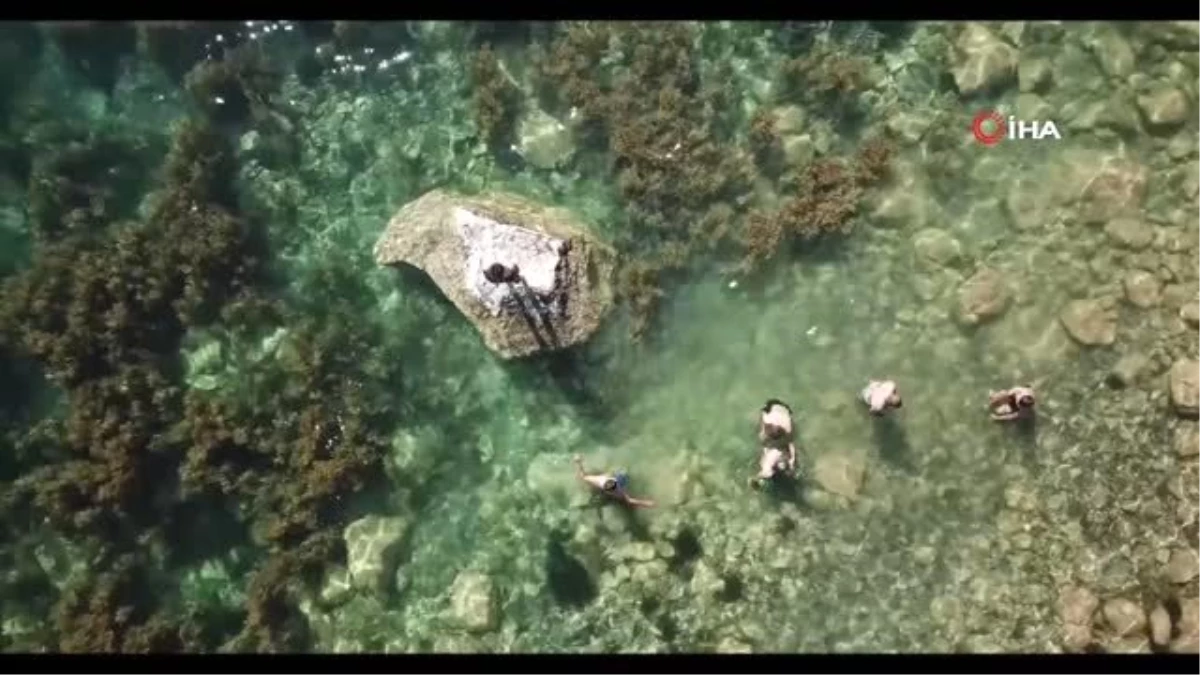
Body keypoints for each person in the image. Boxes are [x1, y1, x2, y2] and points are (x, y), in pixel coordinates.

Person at [573, 455, 655, 508]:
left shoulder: (597, 481)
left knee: (627, 500)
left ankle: (647, 503)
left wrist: (578, 463)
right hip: (613, 479)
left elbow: (582, 476)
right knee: (624, 481)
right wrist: (579, 462)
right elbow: (583, 475)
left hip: (610, 482)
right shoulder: (599, 478)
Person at [752, 399, 798, 488]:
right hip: (776, 409)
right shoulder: (768, 420)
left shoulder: (787, 430)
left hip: (781, 411)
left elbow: (790, 444)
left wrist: (792, 460)